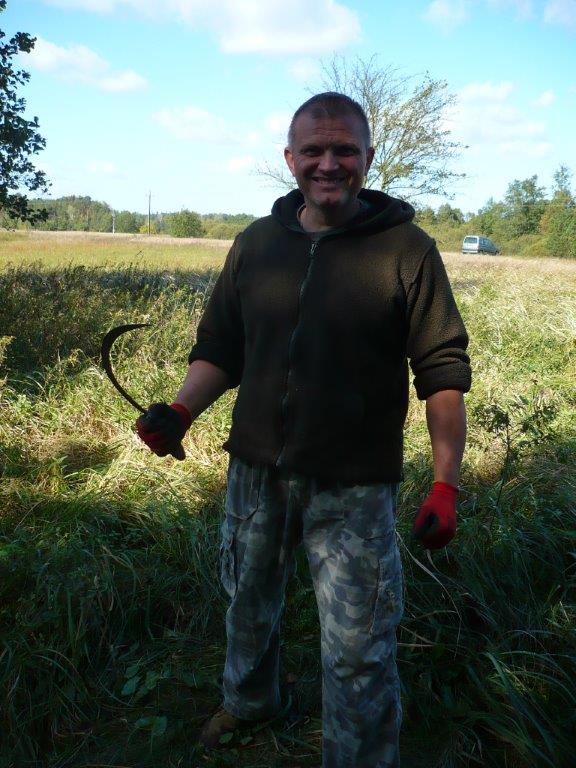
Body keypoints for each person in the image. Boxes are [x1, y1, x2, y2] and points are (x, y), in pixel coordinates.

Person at [136, 92, 471, 768]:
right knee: (247, 602)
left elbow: (441, 373)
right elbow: (219, 348)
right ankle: (251, 700)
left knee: (359, 643)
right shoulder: (255, 244)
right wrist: (180, 411)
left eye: (344, 150)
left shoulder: (407, 251)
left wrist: (445, 486)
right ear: (290, 159)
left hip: (353, 486)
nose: (328, 164)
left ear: (367, 159)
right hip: (255, 471)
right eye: (313, 151)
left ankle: (359, 755)